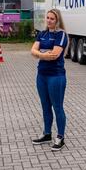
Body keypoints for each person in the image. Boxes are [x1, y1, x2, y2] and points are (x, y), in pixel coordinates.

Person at [31, 9, 69, 151]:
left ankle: (60, 137)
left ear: (57, 20)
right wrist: (45, 53)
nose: (49, 20)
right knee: (45, 106)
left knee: (57, 107)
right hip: (41, 76)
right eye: (47, 18)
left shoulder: (61, 35)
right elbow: (32, 51)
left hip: (56, 76)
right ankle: (47, 134)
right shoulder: (42, 34)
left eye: (52, 18)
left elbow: (55, 55)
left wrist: (40, 53)